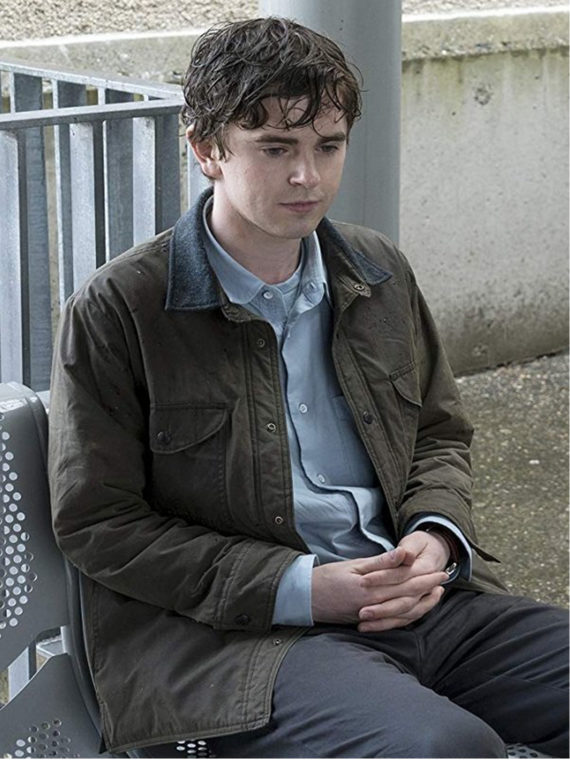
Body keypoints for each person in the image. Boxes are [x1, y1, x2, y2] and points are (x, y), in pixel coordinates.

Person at [48, 16, 568, 759]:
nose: (308, 177)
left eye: (327, 146)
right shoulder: (120, 308)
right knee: (442, 748)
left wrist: (435, 537)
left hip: (420, 605)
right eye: (276, 148)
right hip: (239, 645)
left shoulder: (378, 271)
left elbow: (438, 434)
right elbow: (99, 524)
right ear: (206, 149)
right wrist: (300, 585)